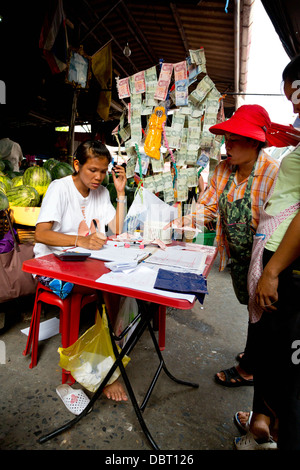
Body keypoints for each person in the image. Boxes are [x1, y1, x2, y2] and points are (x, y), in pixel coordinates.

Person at [170, 104, 281, 387]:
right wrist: (185, 220)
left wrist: (271, 272)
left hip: (266, 257)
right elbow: (208, 206)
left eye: (234, 139)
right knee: (251, 308)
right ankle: (256, 353)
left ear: (255, 142)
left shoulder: (273, 174)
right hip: (238, 256)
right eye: (226, 138)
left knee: (265, 311)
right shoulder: (223, 170)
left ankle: (250, 368)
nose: (227, 145)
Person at [235, 54, 300, 450]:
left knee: (288, 372)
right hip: (271, 261)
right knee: (272, 355)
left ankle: (278, 429)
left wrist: (273, 270)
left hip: (284, 267)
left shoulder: (269, 168)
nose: (293, 103)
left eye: (296, 92)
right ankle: (264, 421)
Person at [34, 140, 128, 401]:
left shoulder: (102, 192)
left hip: (84, 261)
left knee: (120, 282)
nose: (98, 177)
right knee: (108, 289)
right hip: (51, 265)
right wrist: (79, 240)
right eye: (92, 170)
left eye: (103, 171)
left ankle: (110, 343)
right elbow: (41, 235)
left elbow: (116, 230)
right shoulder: (59, 188)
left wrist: (120, 192)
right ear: (77, 165)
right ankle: (104, 368)